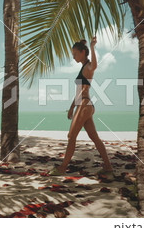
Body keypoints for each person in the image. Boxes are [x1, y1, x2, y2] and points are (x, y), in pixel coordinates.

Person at [48, 36, 114, 180]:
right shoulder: (83, 68)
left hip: (85, 105)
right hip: (83, 105)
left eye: (75, 54)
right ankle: (108, 167)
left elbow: (95, 66)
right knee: (95, 138)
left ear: (83, 52)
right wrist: (71, 107)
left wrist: (92, 46)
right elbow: (79, 92)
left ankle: (62, 168)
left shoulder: (89, 67)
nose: (73, 57)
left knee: (71, 136)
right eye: (72, 54)